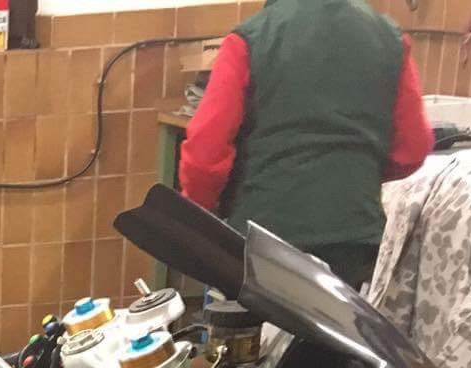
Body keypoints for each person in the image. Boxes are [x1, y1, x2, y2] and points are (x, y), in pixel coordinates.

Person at [179, 0, 435, 289]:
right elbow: (413, 147)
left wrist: (197, 216)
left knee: (252, 319)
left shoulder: (250, 39)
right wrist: (358, 173)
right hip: (354, 235)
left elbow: (205, 154)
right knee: (332, 320)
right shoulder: (391, 40)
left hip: (263, 235)